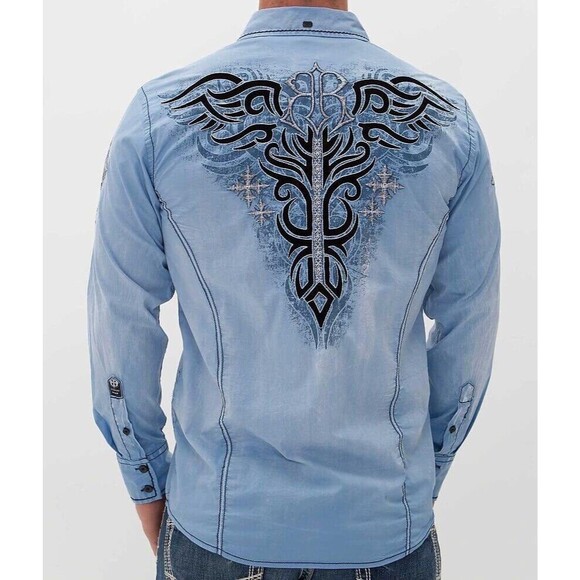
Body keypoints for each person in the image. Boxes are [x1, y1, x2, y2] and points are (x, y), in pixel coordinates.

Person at [87, 0, 500, 577]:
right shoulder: (447, 122)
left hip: (218, 525)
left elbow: (120, 322)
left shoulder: (159, 118)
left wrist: (147, 480)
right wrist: (413, 479)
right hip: (386, 527)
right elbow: (470, 330)